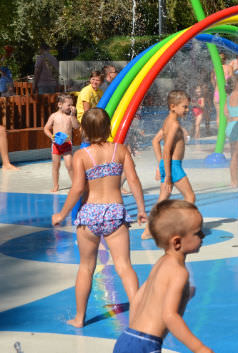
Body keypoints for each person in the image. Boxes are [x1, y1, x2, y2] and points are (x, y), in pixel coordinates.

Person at [51, 108, 148, 327]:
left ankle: (79, 318)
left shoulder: (81, 156)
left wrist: (62, 213)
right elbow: (133, 180)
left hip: (90, 214)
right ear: (109, 128)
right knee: (124, 266)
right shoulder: (121, 150)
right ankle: (139, 312)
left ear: (83, 129)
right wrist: (141, 208)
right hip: (115, 211)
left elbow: (76, 189)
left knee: (86, 267)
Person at [116, 199, 212, 353]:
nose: (203, 236)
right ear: (177, 242)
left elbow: (139, 299)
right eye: (198, 232)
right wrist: (199, 348)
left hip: (127, 338)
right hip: (146, 344)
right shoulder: (179, 271)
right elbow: (170, 316)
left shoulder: (161, 263)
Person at [141, 91, 195, 242]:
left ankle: (147, 230)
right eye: (184, 107)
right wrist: (169, 175)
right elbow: (166, 149)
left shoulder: (167, 121)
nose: (187, 110)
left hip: (168, 165)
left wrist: (161, 165)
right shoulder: (175, 124)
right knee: (190, 197)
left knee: (162, 200)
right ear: (173, 106)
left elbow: (155, 141)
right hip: (174, 167)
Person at [43, 93, 80, 192]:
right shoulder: (53, 116)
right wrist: (51, 137)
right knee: (56, 166)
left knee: (69, 165)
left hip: (67, 144)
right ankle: (56, 185)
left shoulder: (69, 117)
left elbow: (76, 126)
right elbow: (46, 128)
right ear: (60, 104)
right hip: (56, 144)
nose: (71, 107)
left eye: (72, 105)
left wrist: (73, 115)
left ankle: (75, 185)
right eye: (69, 105)